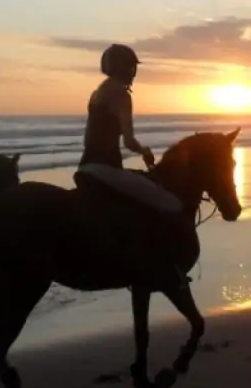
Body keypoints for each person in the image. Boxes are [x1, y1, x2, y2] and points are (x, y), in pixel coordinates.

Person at [74, 44, 188, 291]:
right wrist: (145, 151)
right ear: (124, 67)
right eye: (132, 67)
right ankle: (162, 269)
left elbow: (87, 139)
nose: (134, 72)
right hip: (106, 169)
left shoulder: (97, 93)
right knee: (170, 203)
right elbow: (128, 141)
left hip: (86, 168)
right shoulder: (121, 96)